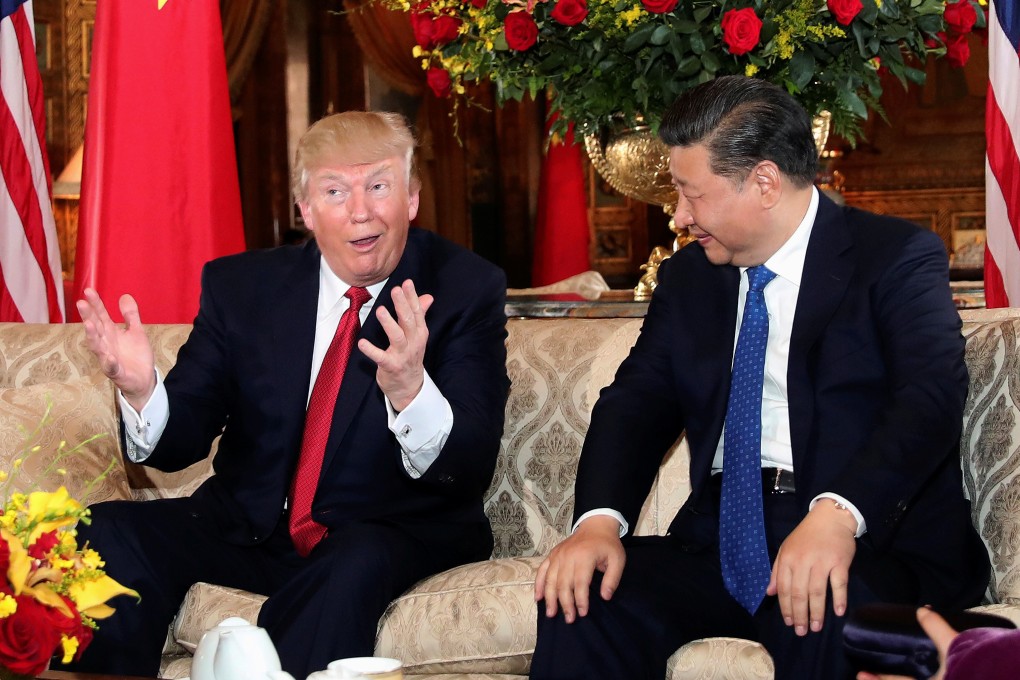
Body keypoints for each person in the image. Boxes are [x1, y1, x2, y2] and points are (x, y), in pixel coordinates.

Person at [530, 76, 990, 680]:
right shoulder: (691, 279)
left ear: (765, 182)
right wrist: (597, 524)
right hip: (718, 536)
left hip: (858, 535)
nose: (680, 217)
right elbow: (634, 403)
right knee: (582, 600)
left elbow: (928, 399)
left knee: (820, 609)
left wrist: (836, 515)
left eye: (693, 195)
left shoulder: (896, 257)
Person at [70, 111, 510, 678]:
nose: (361, 211)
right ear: (305, 210)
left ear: (413, 198)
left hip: (387, 530)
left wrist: (410, 390)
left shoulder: (465, 287)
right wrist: (142, 391)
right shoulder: (243, 288)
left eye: (379, 186)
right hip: (251, 526)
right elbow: (182, 440)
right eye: (335, 191)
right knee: (106, 531)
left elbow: (469, 466)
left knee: (347, 567)